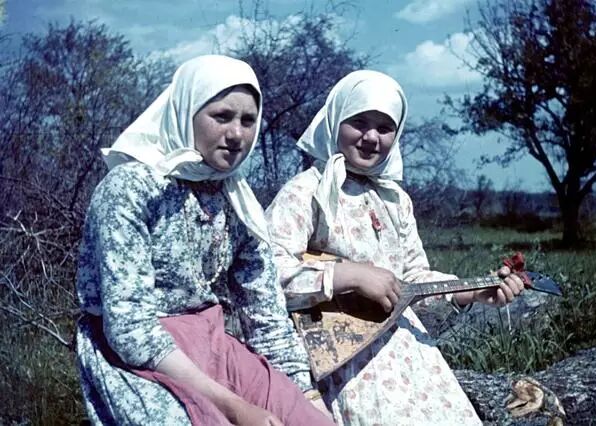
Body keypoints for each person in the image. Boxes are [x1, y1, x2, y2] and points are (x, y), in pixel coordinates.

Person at [75, 55, 334, 426]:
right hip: (140, 358)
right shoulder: (131, 187)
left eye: (248, 120)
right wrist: (235, 407)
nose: (237, 134)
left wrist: (304, 397)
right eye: (222, 116)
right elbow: (129, 329)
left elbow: (266, 317)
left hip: (211, 345)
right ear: (187, 112)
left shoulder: (237, 200)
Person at [265, 70, 525, 425]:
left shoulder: (395, 200)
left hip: (406, 351)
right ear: (335, 119)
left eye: (385, 128)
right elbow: (269, 272)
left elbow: (413, 277)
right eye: (359, 122)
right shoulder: (305, 191)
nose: (371, 137)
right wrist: (349, 275)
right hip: (342, 355)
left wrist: (473, 292)